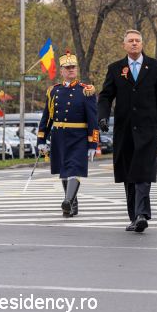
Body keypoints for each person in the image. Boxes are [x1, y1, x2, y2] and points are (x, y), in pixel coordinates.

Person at [98, 29, 157, 233]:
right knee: (129, 173)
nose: (134, 44)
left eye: (137, 40)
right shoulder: (115, 69)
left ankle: (141, 214)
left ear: (142, 44)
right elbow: (105, 96)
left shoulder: (155, 67)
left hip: (148, 128)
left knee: (143, 171)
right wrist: (102, 117)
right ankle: (134, 216)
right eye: (130, 41)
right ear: (124, 45)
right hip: (125, 129)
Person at [36, 51, 98, 218]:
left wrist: (93, 143)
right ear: (61, 71)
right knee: (64, 169)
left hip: (78, 136)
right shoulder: (53, 91)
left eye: (73, 67)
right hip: (59, 136)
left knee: (74, 168)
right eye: (67, 68)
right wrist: (41, 139)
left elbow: (93, 120)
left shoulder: (86, 91)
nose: (71, 70)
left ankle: (67, 201)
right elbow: (47, 117)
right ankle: (72, 203)